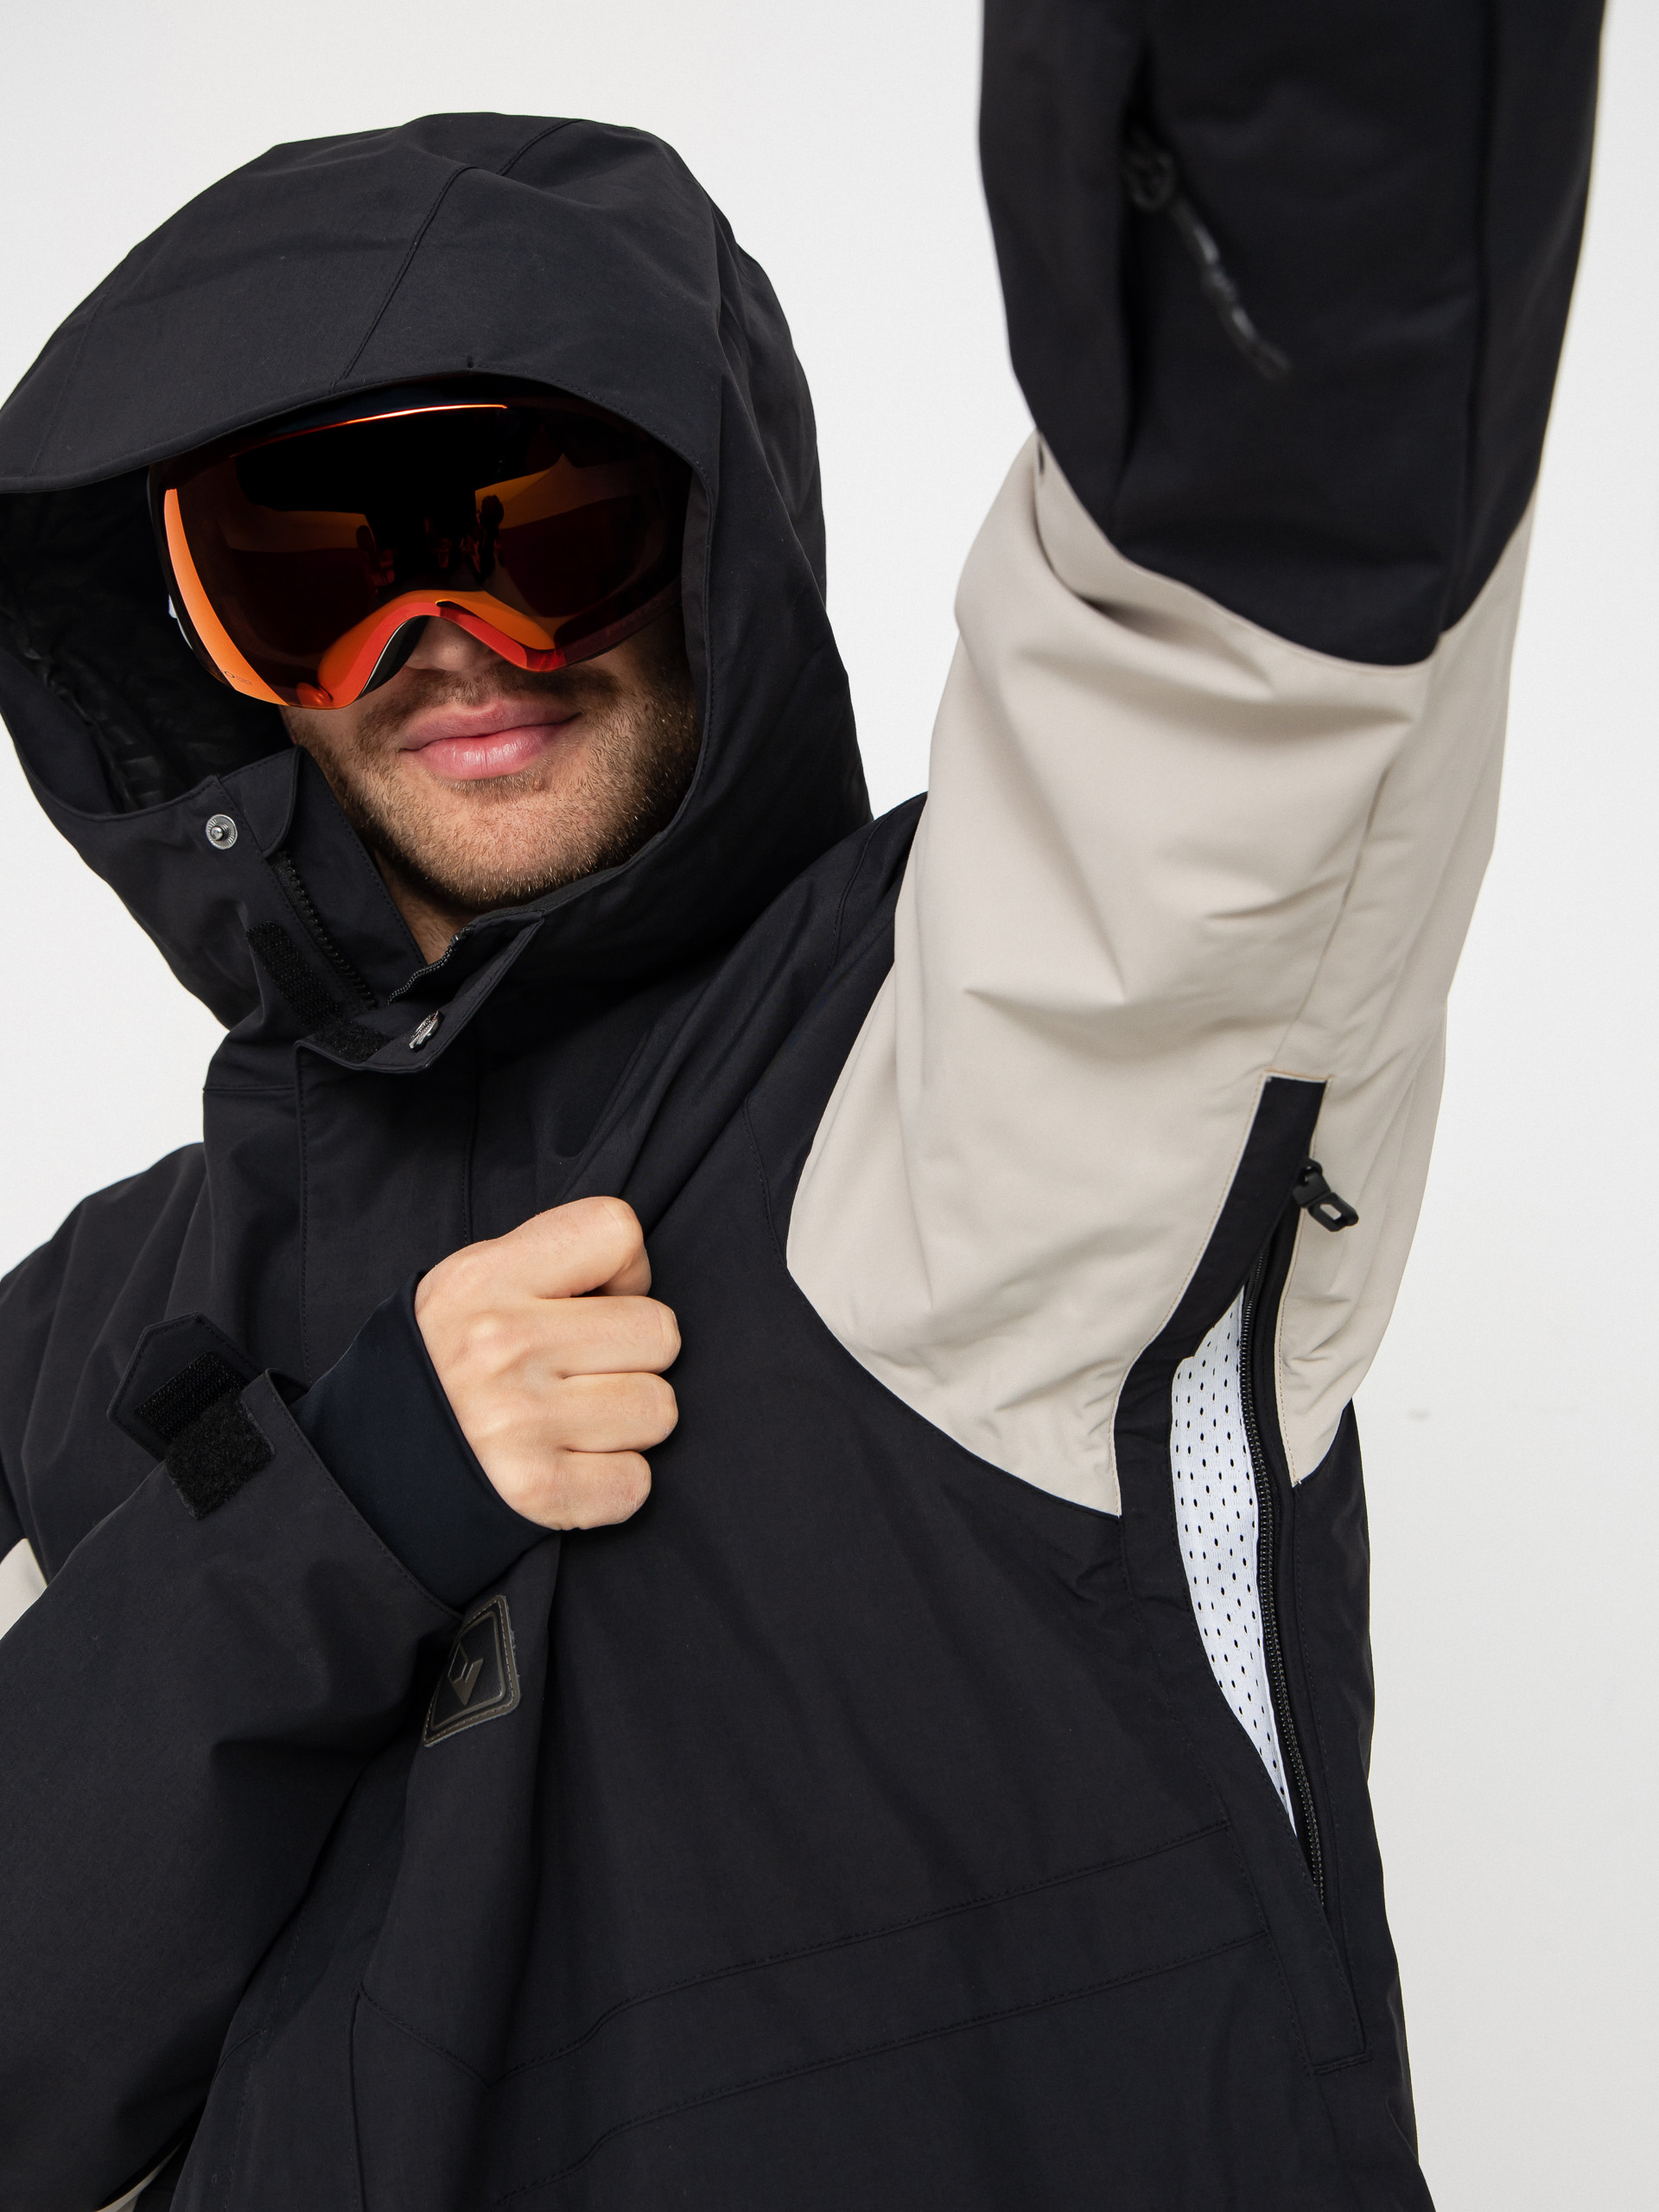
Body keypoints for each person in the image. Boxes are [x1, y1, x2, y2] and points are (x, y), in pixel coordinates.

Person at [0, 3, 1603, 2206]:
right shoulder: (91, 1327)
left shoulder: (946, 1073)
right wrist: (320, 1521)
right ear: (204, 637)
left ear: (711, 527)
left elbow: (1237, 633)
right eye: (318, 566)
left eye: (534, 518)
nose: (440, 635)